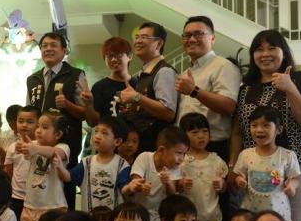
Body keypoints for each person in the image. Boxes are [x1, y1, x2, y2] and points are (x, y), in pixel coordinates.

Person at [229, 30, 301, 221]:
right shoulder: (246, 88)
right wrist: (233, 166)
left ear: (284, 52)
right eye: (259, 50)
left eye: (272, 48)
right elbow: (237, 131)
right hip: (257, 169)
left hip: (299, 166)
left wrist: (290, 88)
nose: (265, 54)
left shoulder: (299, 79)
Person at [26, 32, 88, 210]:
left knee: (64, 199)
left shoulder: (76, 75)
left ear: (64, 50)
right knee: (38, 193)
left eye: (53, 45)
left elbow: (86, 113)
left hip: (66, 149)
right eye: (44, 46)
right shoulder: (33, 79)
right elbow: (30, 110)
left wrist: (67, 105)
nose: (48, 49)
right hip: (38, 149)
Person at [175, 16, 241, 161]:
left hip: (214, 147)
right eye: (187, 35)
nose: (191, 39)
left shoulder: (223, 66)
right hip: (185, 147)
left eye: (198, 34)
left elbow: (228, 106)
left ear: (212, 38)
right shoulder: (185, 73)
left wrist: (194, 91)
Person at [233, 106, 301, 221]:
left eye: (266, 125)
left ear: (279, 129)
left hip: (277, 211)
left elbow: (295, 178)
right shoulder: (245, 154)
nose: (259, 130)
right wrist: (239, 181)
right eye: (254, 125)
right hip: (251, 212)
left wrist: (292, 186)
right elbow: (239, 175)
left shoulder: (287, 155)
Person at [17, 111, 70, 221]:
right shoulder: (34, 144)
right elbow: (27, 151)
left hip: (53, 208)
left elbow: (55, 152)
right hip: (30, 206)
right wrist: (22, 147)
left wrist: (34, 148)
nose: (39, 130)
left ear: (58, 134)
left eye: (45, 127)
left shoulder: (64, 147)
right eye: (39, 126)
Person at [121, 22, 178, 152]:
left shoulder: (164, 71)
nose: (138, 41)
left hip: (154, 146)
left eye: (144, 37)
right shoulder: (145, 71)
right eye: (137, 37)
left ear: (159, 43)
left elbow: (168, 112)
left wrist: (136, 97)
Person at [122, 126, 189, 221]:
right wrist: (142, 186)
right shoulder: (144, 157)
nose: (181, 158)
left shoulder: (176, 166)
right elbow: (135, 181)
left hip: (157, 220)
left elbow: (172, 194)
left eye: (184, 154)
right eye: (178, 153)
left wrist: (167, 182)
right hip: (136, 215)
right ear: (162, 150)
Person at [55, 116, 130, 213]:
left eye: (104, 133)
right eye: (96, 131)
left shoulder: (122, 165)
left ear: (117, 141)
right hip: (89, 219)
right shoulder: (86, 162)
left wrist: (131, 187)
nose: (97, 136)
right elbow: (69, 177)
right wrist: (60, 167)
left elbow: (124, 189)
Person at [179, 113, 227, 221]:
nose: (201, 136)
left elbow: (224, 188)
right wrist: (181, 184)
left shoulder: (216, 160)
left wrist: (221, 185)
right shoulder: (180, 160)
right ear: (183, 135)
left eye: (205, 131)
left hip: (212, 219)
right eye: (194, 132)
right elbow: (172, 188)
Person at [82, 37, 137, 126]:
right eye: (109, 56)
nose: (113, 59)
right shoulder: (99, 87)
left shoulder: (138, 84)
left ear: (129, 56)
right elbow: (93, 123)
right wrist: (89, 105)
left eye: (118, 54)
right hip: (109, 138)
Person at [3, 105, 39, 221]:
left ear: (38, 125)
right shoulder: (12, 147)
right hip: (16, 197)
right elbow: (8, 172)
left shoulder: (42, 147)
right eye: (21, 121)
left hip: (35, 197)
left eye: (30, 122)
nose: (24, 125)